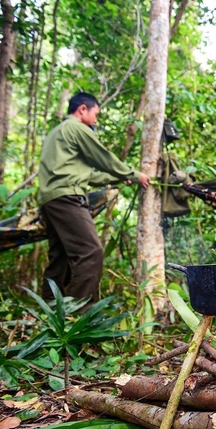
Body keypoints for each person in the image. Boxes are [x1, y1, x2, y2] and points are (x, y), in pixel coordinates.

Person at [38, 92, 150, 304]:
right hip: (67, 198)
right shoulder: (76, 128)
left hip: (50, 201)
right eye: (95, 114)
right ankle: (78, 316)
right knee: (91, 252)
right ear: (82, 109)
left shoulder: (57, 133)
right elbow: (103, 158)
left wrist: (119, 178)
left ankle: (49, 310)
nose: (96, 120)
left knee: (59, 259)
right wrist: (134, 174)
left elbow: (88, 175)